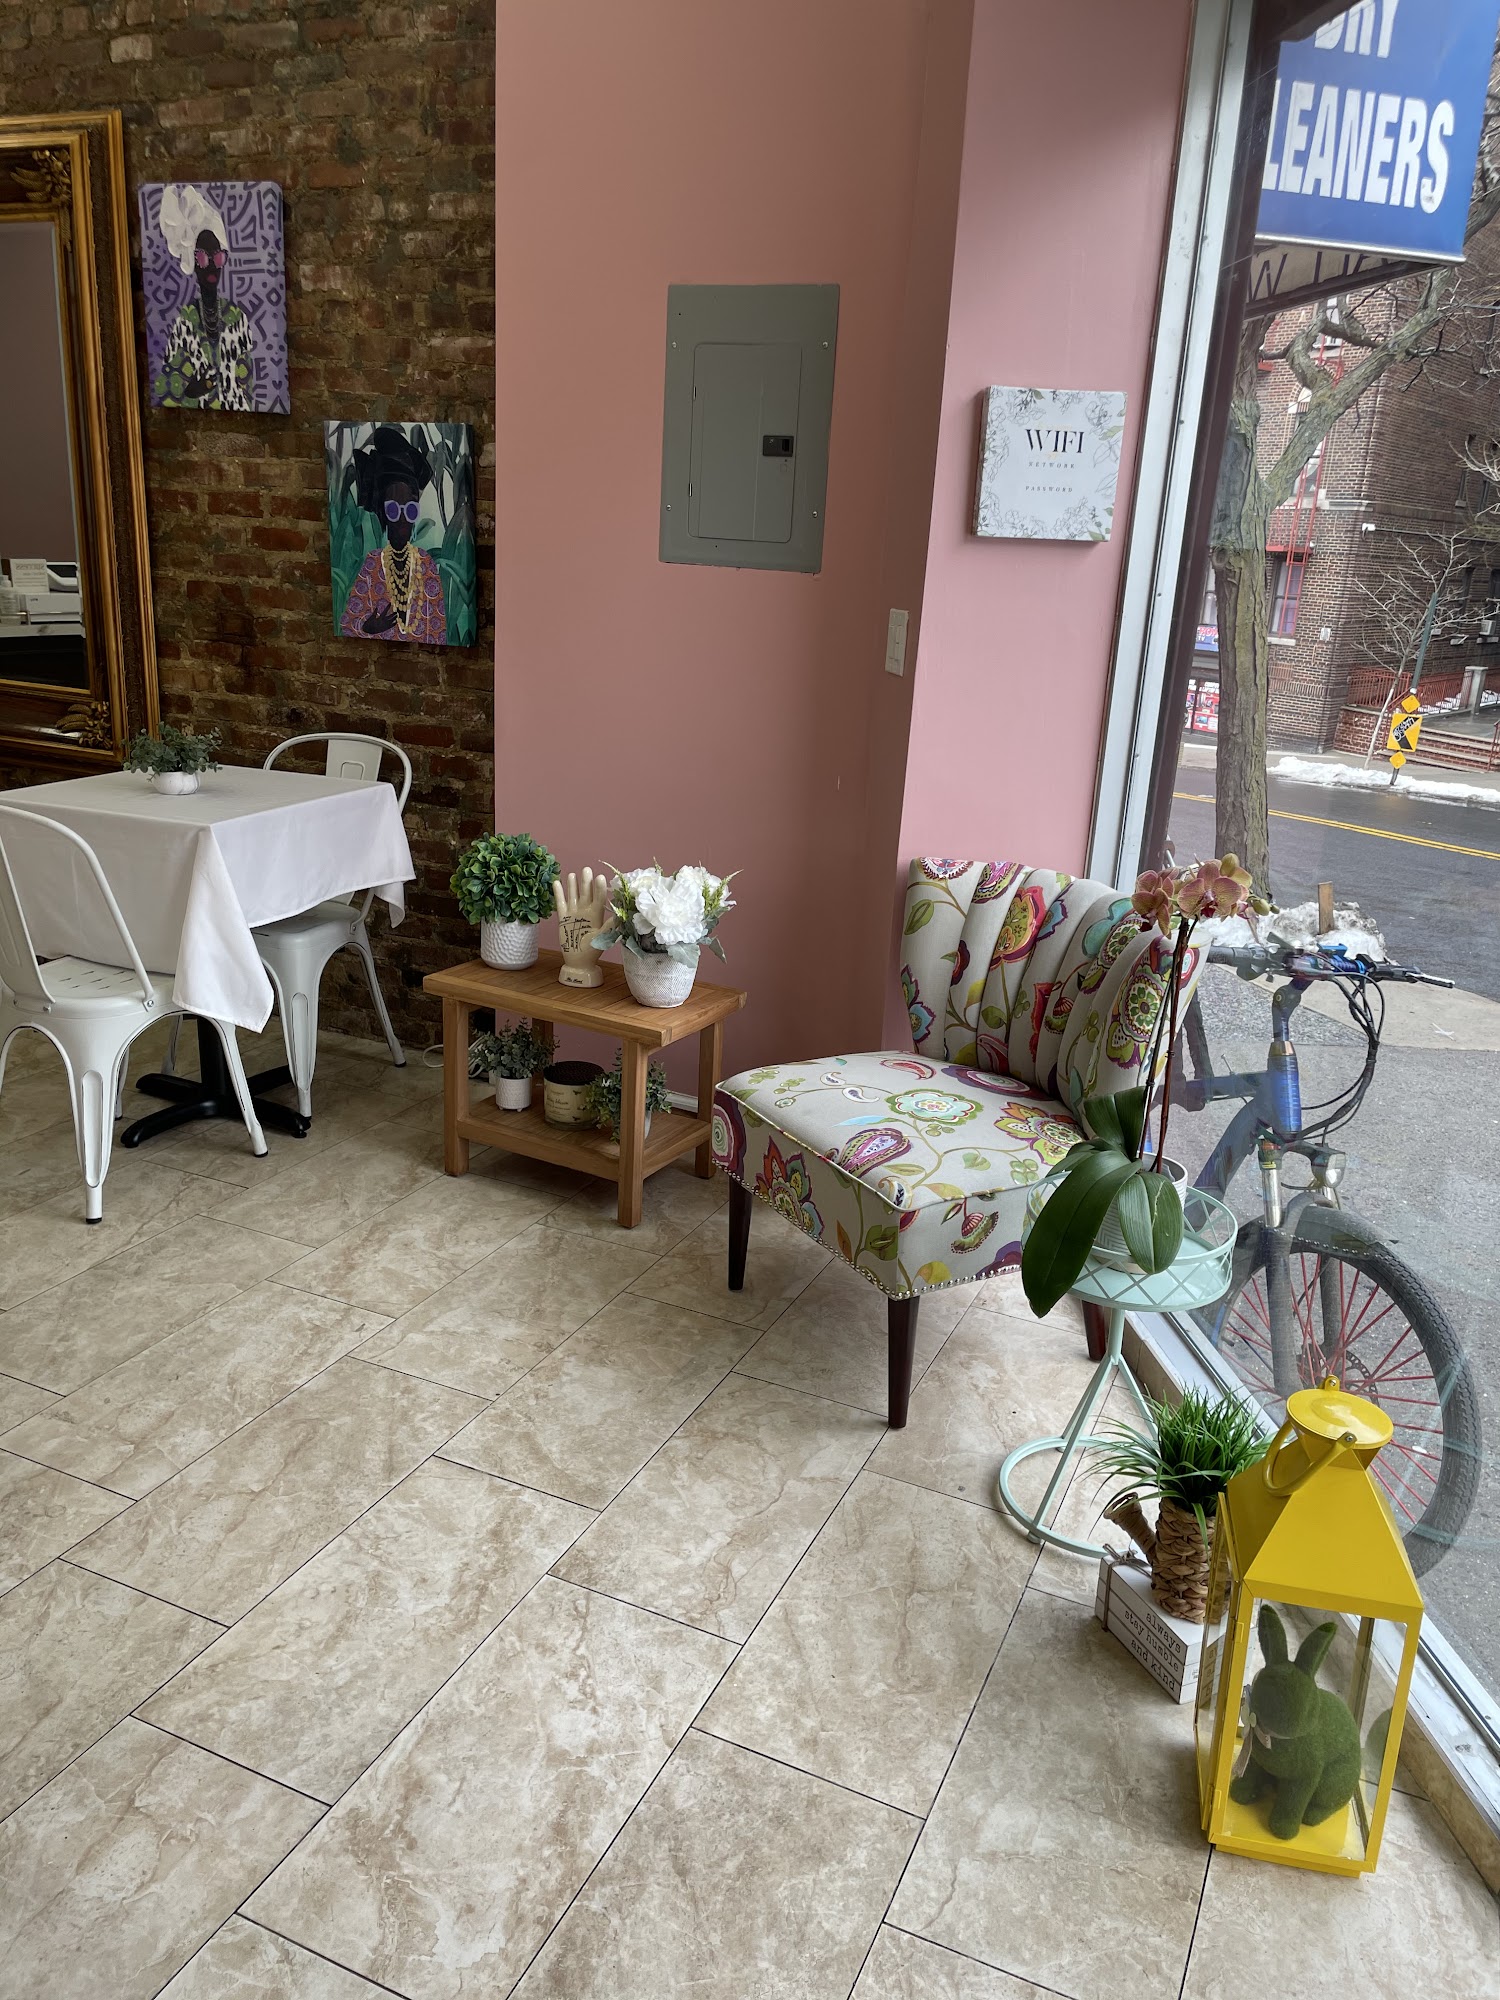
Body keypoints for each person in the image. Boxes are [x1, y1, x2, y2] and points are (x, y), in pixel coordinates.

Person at [339, 426, 447, 644]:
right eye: (393, 510)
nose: (402, 519)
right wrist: (368, 627)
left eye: (411, 510)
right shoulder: (372, 564)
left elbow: (439, 631)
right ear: (383, 513)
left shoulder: (425, 564)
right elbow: (347, 624)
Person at [153, 185, 254, 412]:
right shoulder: (185, 322)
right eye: (202, 257)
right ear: (192, 261)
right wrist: (191, 392)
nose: (211, 266)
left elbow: (248, 387)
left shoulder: (237, 319)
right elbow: (167, 390)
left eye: (217, 258)